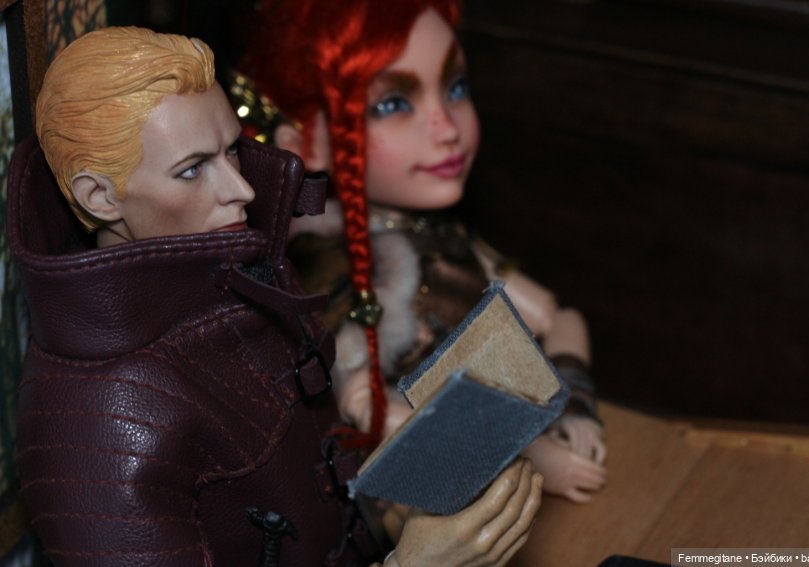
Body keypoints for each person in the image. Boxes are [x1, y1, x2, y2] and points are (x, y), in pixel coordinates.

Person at [8, 26, 541, 566]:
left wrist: (394, 511)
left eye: (232, 151)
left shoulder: (243, 277)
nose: (241, 190)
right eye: (192, 170)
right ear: (100, 197)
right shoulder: (103, 423)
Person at [240, 0, 607, 503]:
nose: (447, 128)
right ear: (305, 142)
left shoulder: (437, 236)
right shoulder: (333, 271)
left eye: (455, 88)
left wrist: (573, 401)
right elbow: (373, 411)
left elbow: (556, 316)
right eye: (392, 104)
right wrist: (535, 456)